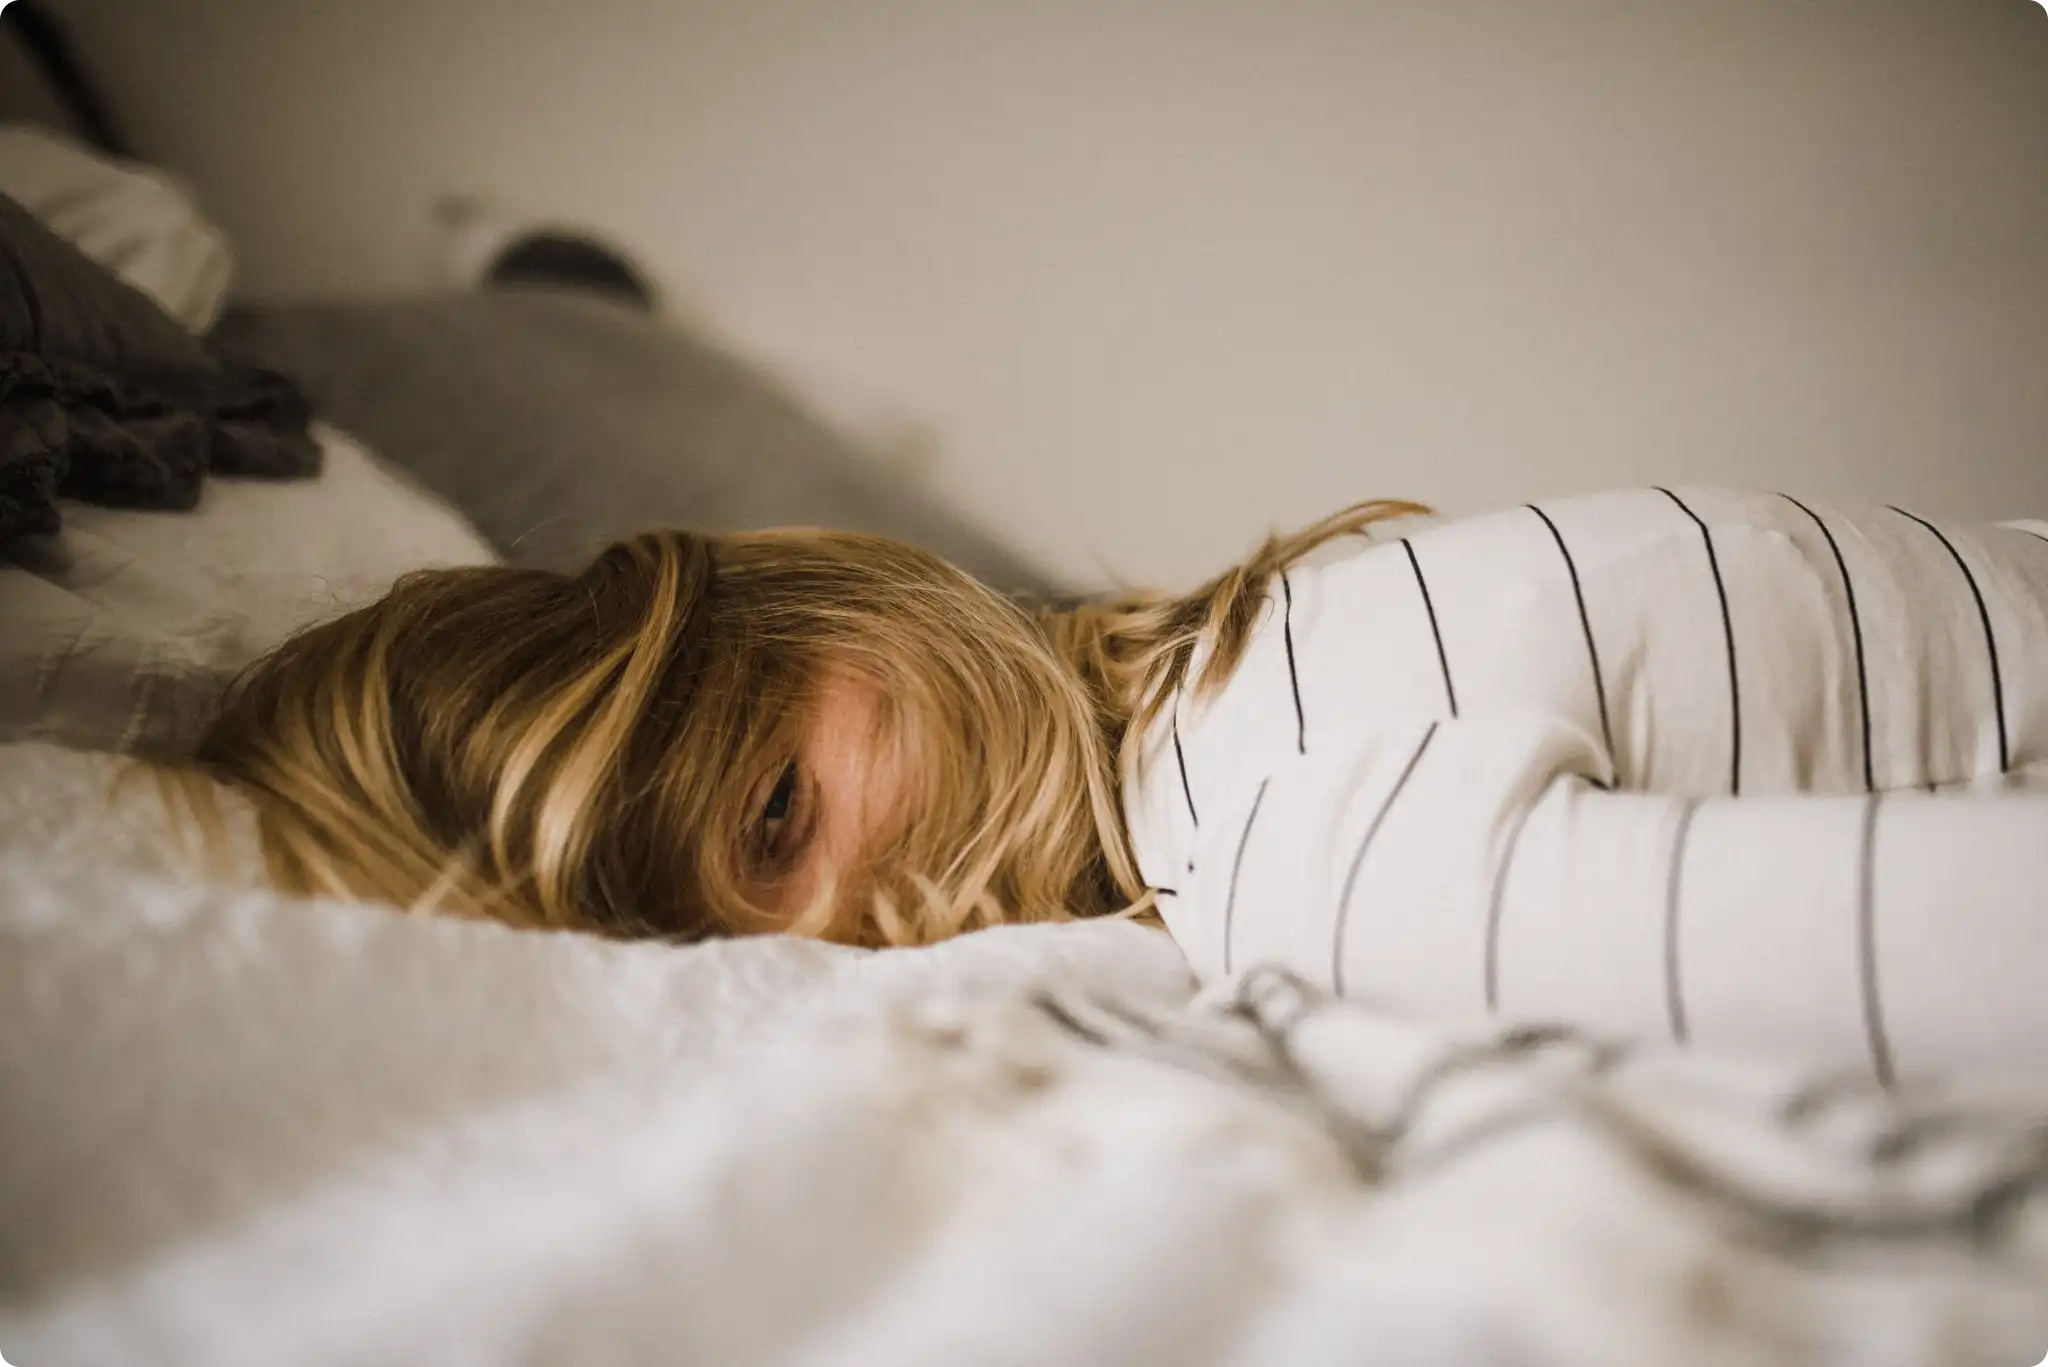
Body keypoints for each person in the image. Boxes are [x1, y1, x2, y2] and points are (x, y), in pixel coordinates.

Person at [190, 491, 2048, 1075]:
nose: (853, 936)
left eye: (776, 817)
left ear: (832, 603)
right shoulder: (1250, 669)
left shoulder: (1301, 843)